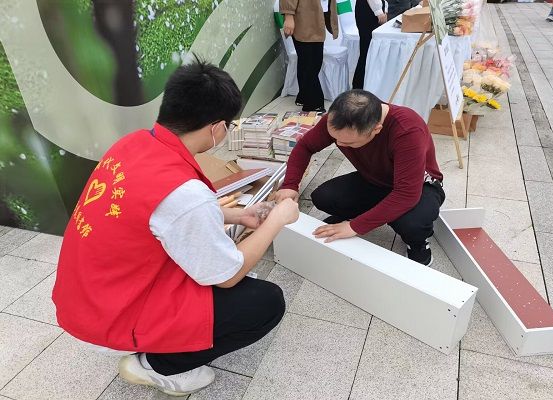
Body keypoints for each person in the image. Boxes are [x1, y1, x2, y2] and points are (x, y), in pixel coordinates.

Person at [52, 59, 299, 396]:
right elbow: (227, 275)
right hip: (112, 314)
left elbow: (159, 215)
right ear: (216, 129)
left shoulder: (133, 143)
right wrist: (277, 219)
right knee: (265, 304)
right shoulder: (185, 193)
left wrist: (238, 216)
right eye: (229, 125)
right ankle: (158, 365)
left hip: (88, 296)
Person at [275, 90, 445, 266]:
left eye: (349, 143)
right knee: (323, 197)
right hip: (376, 179)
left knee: (412, 224)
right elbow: (305, 146)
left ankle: (418, 245)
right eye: (335, 138)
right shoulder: (341, 117)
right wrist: (290, 185)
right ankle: (369, 214)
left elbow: (406, 194)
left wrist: (354, 227)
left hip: (419, 186)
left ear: (376, 129)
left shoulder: (407, 129)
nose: (339, 144)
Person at [280, 0, 339, 112]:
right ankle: (314, 103)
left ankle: (304, 96)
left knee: (310, 61)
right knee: (310, 63)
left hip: (317, 16)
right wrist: (288, 16)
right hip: (304, 16)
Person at [353, 0, 387, 90]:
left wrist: (384, 9)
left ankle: (363, 85)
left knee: (370, 50)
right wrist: (379, 11)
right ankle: (359, 85)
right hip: (368, 10)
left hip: (373, 9)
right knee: (367, 50)